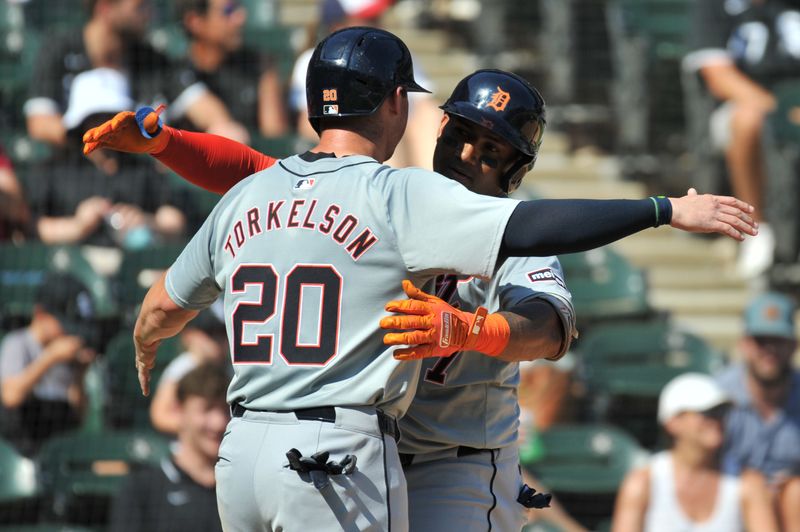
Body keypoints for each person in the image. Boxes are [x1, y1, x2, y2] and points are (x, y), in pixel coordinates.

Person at [88, 27, 756, 532]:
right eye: (462, 133)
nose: (469, 154)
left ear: (517, 168)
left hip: (454, 465)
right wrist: (171, 145)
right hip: (359, 453)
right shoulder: (395, 198)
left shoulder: (508, 226)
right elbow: (262, 176)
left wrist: (476, 328)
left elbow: (548, 330)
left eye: (493, 148)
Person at [23, 0, 246, 148]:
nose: (149, 13)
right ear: (105, 8)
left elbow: (214, 115)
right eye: (140, 6)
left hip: (145, 181)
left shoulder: (152, 59)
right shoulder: (57, 49)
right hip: (78, 171)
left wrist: (169, 151)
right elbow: (40, 122)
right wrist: (104, 140)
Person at [684, 0, 800, 277]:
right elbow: (718, 75)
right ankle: (756, 229)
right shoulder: (715, 8)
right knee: (747, 120)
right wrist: (782, 109)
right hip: (749, 106)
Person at [26, 68, 187, 247]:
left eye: (113, 118)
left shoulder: (142, 167)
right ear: (81, 123)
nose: (106, 126)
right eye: (97, 118)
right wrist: (77, 226)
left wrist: (146, 221)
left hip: (135, 263)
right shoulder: (55, 169)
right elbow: (31, 226)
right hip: (69, 265)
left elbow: (175, 219)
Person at [612, 372, 778, 532]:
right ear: (673, 422)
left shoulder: (748, 484)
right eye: (707, 413)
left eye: (721, 412)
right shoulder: (642, 484)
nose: (717, 420)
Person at [289, 0, 441, 169]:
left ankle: (435, 190)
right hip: (363, 151)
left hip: (407, 140)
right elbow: (306, 125)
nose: (378, 25)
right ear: (339, 23)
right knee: (381, 126)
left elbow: (425, 108)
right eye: (369, 19)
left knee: (430, 115)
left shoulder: (397, 56)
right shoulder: (318, 60)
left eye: (377, 17)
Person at [109, 362, 229, 532]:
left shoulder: (243, 489)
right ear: (179, 410)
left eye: (226, 410)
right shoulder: (143, 489)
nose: (219, 422)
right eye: (207, 409)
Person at [716, 291, 800, 530]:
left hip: (791, 512)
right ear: (744, 344)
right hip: (730, 511)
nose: (769, 350)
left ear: (794, 345)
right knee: (753, 488)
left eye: (778, 341)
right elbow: (699, 466)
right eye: (761, 340)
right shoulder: (717, 397)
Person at [0, 272, 98, 456]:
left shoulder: (70, 354)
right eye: (64, 325)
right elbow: (10, 396)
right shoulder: (18, 343)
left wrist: (80, 374)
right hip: (20, 447)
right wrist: (50, 357)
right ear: (40, 314)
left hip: (56, 445)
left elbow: (79, 414)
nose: (70, 334)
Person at [174, 0, 288, 137]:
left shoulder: (260, 65)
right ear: (195, 22)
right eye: (228, 11)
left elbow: (274, 140)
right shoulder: (173, 74)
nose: (241, 18)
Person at [150, 303, 230, 434]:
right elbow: (160, 415)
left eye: (223, 334)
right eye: (211, 334)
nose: (218, 341)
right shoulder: (182, 368)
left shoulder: (230, 369)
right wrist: (199, 427)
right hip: (185, 444)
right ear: (189, 336)